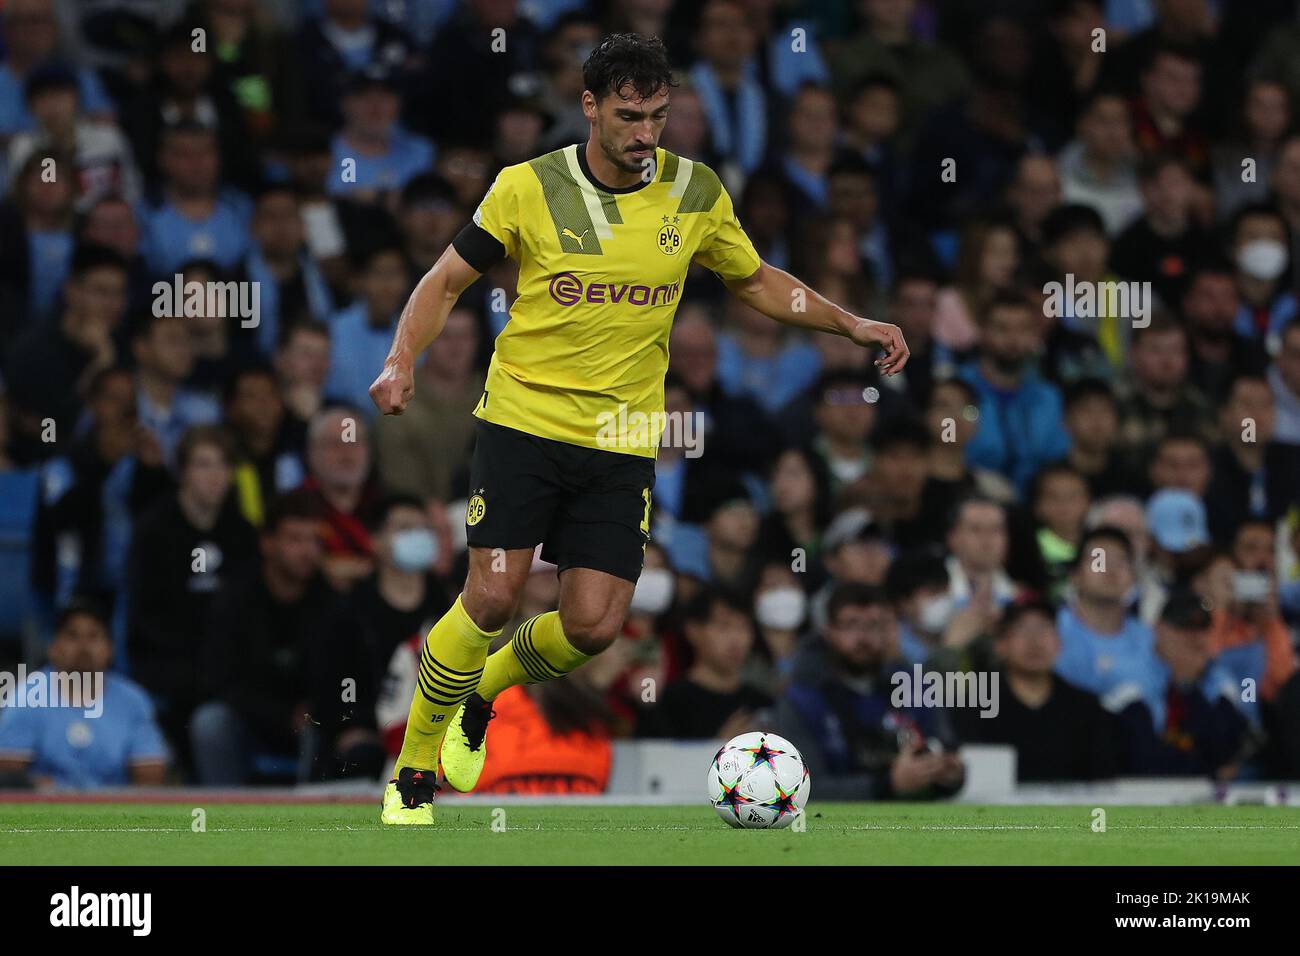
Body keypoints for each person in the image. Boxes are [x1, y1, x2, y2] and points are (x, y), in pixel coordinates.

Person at [367, 34, 909, 824]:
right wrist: (400, 359)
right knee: (490, 597)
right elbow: (448, 276)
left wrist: (850, 322)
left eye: (657, 115)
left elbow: (755, 280)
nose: (645, 133)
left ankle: (482, 690)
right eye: (628, 116)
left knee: (593, 627)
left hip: (622, 436)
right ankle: (413, 773)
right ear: (589, 106)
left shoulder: (694, 192)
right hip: (523, 420)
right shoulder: (528, 187)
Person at [776, 582, 964, 800]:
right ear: (829, 632)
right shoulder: (802, 699)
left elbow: (945, 749)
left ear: (889, 631)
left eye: (873, 625)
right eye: (851, 625)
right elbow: (804, 788)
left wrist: (949, 774)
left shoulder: (912, 687)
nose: (863, 637)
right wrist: (888, 785)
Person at [0, 598, 167, 788]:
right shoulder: (27, 697)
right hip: (46, 811)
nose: (83, 646)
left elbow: (150, 776)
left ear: (110, 650)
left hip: (113, 811)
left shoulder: (133, 701)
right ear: (53, 649)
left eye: (94, 636)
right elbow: (8, 776)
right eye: (72, 636)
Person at [952, 600, 1118, 782]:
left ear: (1059, 643)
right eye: (1022, 630)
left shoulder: (1086, 707)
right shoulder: (975, 704)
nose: (1034, 641)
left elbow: (1102, 778)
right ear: (1000, 645)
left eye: (1044, 630)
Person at [643, 588, 772, 740]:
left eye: (744, 627)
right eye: (724, 627)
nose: (737, 639)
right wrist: (718, 747)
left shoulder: (763, 704)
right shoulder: (671, 705)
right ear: (693, 631)